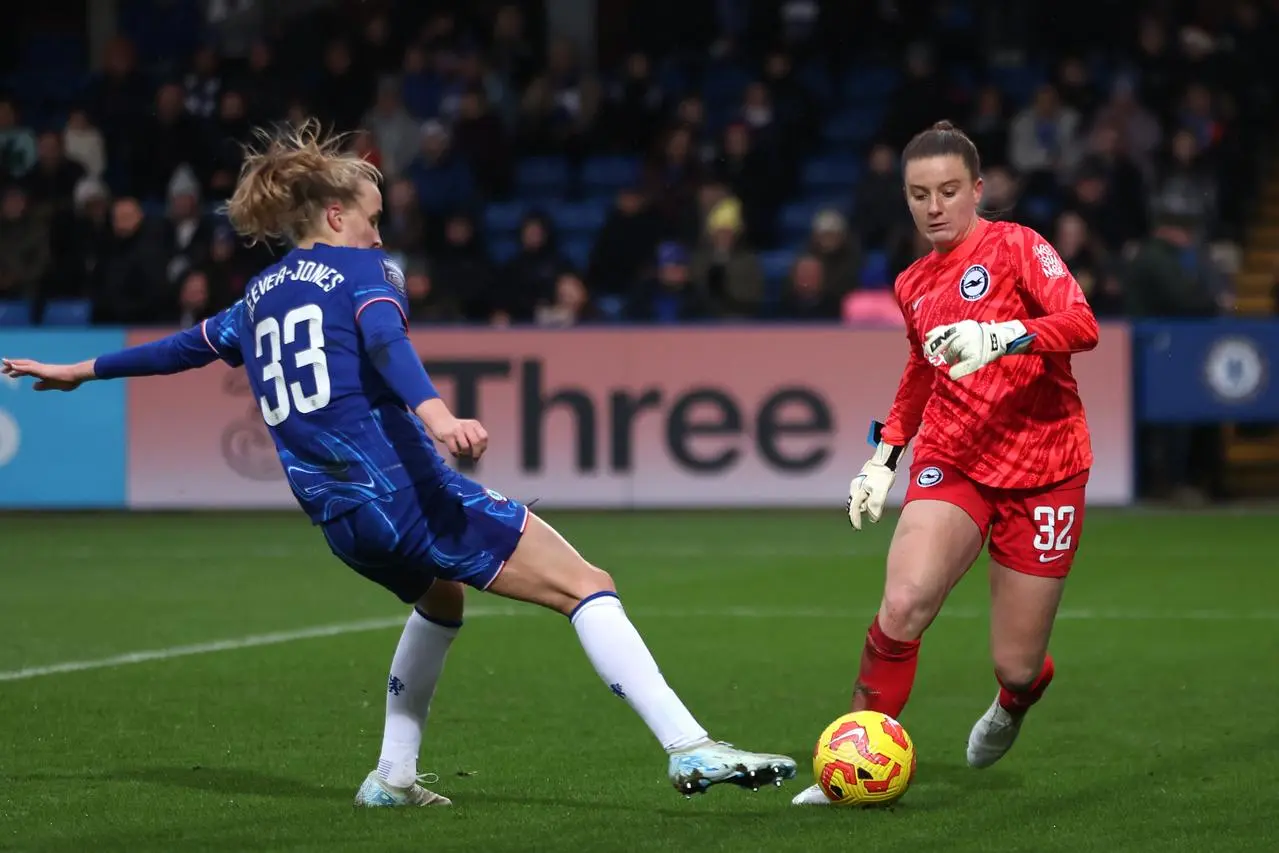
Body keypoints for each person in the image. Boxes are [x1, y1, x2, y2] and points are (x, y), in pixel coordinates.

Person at [2, 120, 796, 807]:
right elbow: (386, 340)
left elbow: (183, 347)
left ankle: (392, 773)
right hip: (401, 490)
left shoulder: (259, 295)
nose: (383, 236)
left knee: (443, 600)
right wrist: (438, 414)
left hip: (338, 519)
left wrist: (81, 370)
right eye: (374, 220)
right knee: (585, 583)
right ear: (337, 213)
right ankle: (689, 743)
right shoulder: (363, 272)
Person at [792, 121, 1099, 805]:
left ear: (978, 190)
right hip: (953, 457)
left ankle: (1014, 700)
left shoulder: (1017, 246)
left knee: (1016, 664)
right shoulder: (912, 282)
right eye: (919, 194)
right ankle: (856, 753)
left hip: (1045, 466)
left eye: (949, 191)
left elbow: (1083, 325)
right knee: (902, 602)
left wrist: (1004, 334)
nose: (934, 206)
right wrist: (883, 457)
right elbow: (920, 371)